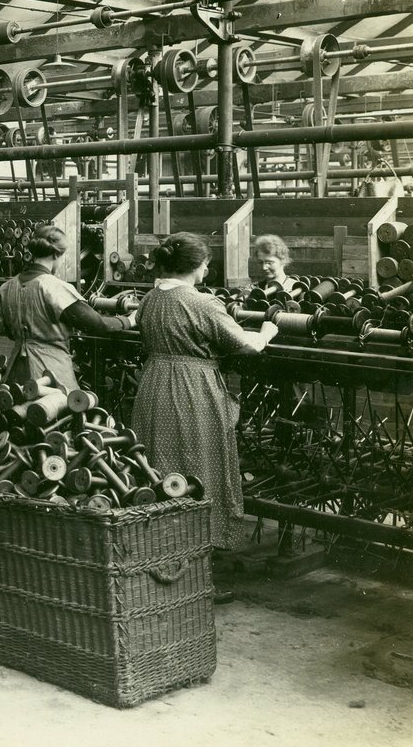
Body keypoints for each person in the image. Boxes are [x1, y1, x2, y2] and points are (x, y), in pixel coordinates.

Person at [130, 232, 278, 599]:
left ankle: (158, 566)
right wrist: (268, 329)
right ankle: (195, 581)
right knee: (199, 469)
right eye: (206, 264)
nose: (207, 270)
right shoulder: (202, 302)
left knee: (159, 468)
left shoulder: (150, 298)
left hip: (154, 385)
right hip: (192, 390)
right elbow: (244, 345)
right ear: (196, 267)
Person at [0, 225, 134, 392]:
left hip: (16, 372)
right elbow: (99, 325)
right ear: (55, 254)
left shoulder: (6, 288)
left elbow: (9, 331)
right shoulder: (54, 288)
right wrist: (129, 320)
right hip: (50, 374)